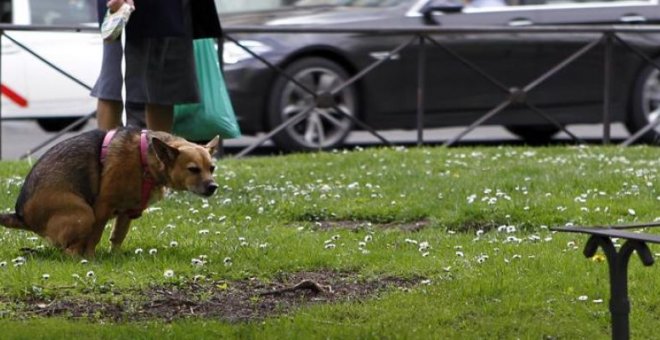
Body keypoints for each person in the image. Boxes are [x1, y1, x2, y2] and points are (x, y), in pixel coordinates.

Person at [91, 0, 223, 132]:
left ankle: (158, 152)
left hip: (175, 9)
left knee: (164, 90)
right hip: (133, 9)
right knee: (115, 84)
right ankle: (102, 151)